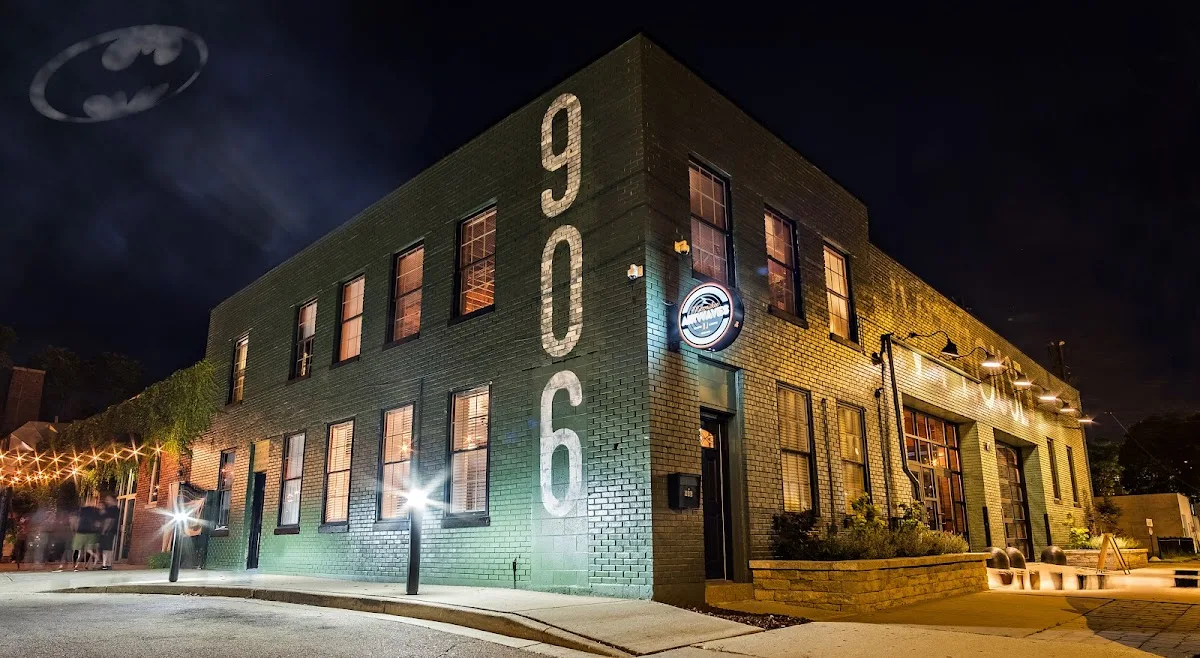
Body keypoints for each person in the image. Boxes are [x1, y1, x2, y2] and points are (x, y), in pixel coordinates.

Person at [98, 495, 119, 570]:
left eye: (108, 499)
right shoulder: (115, 509)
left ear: (112, 500)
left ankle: (104, 565)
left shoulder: (111, 509)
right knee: (109, 548)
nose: (107, 501)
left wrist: (104, 530)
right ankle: (108, 564)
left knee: (105, 548)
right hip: (112, 531)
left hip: (108, 531)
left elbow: (109, 520)